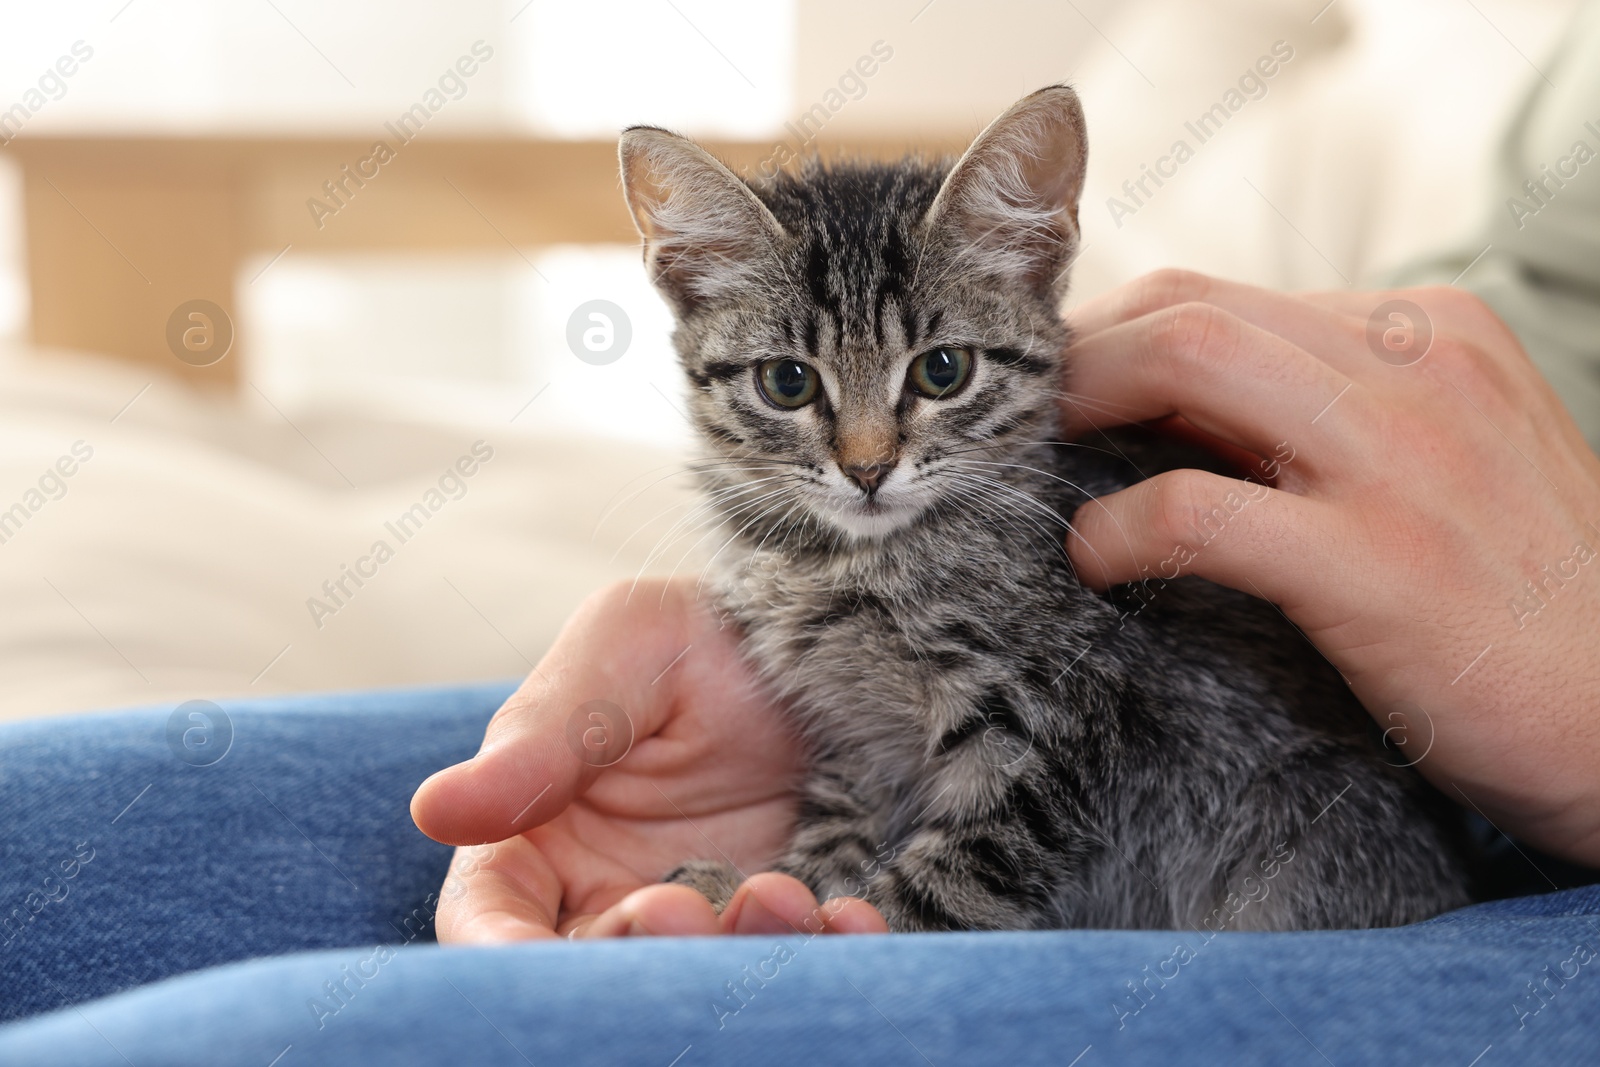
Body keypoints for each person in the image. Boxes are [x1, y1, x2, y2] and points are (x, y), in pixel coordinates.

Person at [5, 5, 1600, 1063]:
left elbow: (1036, 752)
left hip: (1349, 869)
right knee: (53, 851)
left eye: (931, 383)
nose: (862, 455)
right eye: (790, 387)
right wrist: (829, 826)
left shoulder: (1016, 552)